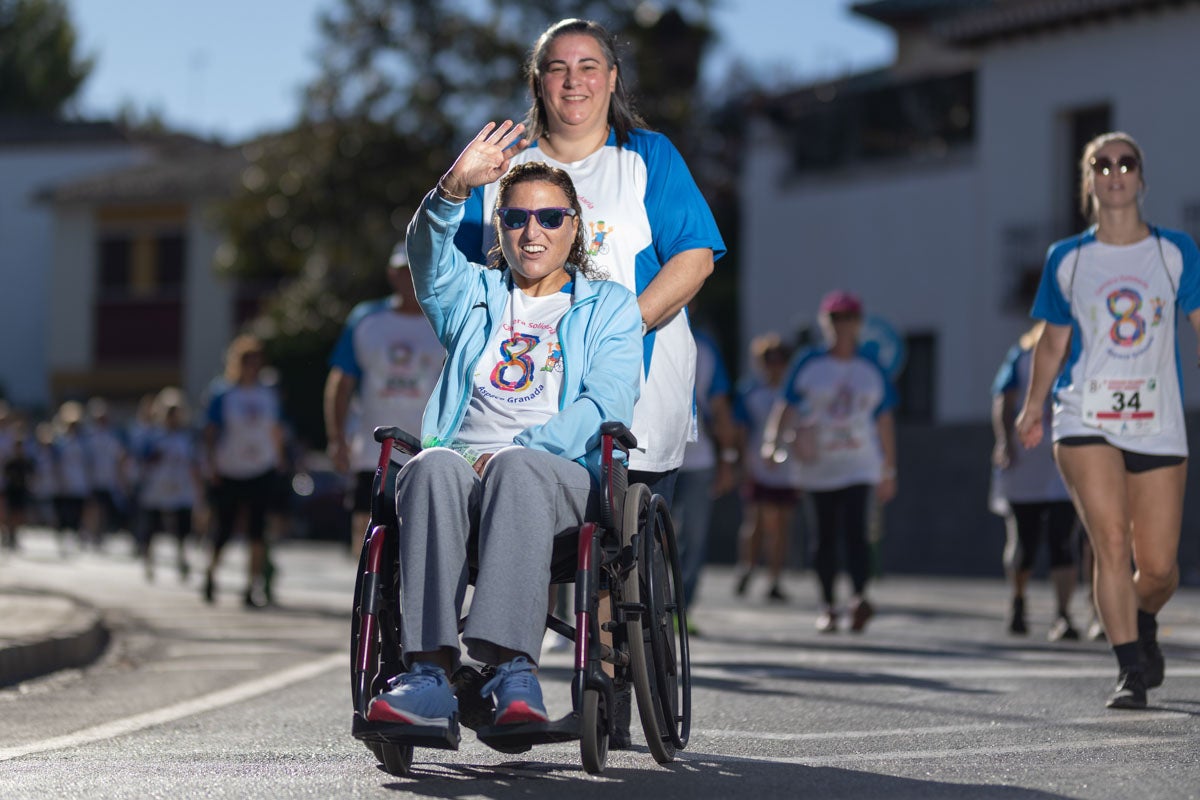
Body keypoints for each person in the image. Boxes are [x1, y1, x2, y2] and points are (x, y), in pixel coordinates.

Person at [363, 121, 642, 734]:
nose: (532, 232)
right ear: (499, 228)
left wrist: (521, 448)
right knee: (430, 465)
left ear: (575, 226)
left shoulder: (611, 306)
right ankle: (429, 676)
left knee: (517, 468)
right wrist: (452, 189)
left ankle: (513, 669)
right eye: (516, 218)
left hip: (559, 475)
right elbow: (425, 256)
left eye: (549, 217)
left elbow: (606, 403)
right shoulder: (472, 293)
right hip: (462, 466)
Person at [453, 17, 725, 505]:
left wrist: (615, 336)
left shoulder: (647, 155)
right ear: (538, 82)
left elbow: (695, 257)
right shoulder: (500, 168)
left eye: (589, 66)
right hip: (518, 400)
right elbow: (457, 285)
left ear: (613, 77)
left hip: (636, 396)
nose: (573, 80)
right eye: (558, 68)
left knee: (615, 546)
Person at [1015, 132, 1200, 710]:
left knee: (1160, 568)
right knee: (1111, 542)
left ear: (1142, 178)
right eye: (1102, 164)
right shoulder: (1067, 258)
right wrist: (1033, 405)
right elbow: (1053, 342)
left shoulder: (1174, 251)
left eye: (1126, 163)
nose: (1115, 172)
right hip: (1084, 416)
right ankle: (1128, 670)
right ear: (1088, 181)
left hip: (1157, 420)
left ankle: (1142, 619)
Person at [764, 291, 898, 633]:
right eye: (835, 318)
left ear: (859, 323)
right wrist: (771, 443)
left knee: (856, 532)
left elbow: (884, 420)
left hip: (860, 464)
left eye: (848, 317)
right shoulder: (809, 363)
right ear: (825, 322)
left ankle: (859, 597)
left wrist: (889, 468)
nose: (842, 325)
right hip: (818, 466)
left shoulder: (871, 366)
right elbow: (786, 405)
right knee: (823, 536)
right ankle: (827, 605)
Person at [325, 241, 444, 557]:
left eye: (416, 270)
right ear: (392, 273)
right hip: (373, 450)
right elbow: (340, 383)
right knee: (366, 532)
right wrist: (337, 439)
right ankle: (366, 588)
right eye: (403, 270)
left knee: (418, 537)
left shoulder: (445, 320)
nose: (409, 278)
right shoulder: (367, 319)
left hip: (428, 447)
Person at [991, 322, 1081, 641]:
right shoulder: (1023, 357)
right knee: (1024, 541)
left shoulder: (1081, 357)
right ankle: (1018, 601)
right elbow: (1003, 399)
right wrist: (1005, 442)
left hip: (1064, 465)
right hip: (1026, 465)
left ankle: (1062, 614)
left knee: (1062, 539)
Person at [202, 334, 286, 608]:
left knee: (257, 531)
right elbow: (210, 431)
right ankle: (210, 575)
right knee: (224, 529)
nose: (252, 367)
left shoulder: (268, 394)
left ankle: (252, 586)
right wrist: (211, 464)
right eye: (246, 361)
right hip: (230, 468)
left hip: (261, 468)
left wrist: (280, 459)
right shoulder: (223, 393)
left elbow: (275, 429)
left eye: (255, 361)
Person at [671, 325, 738, 617]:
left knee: (693, 537)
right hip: (650, 456)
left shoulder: (705, 347)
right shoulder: (640, 330)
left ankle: (681, 611)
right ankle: (652, 608)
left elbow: (720, 407)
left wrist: (727, 460)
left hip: (698, 461)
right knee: (650, 538)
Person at [731, 334, 800, 603]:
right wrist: (741, 462)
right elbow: (741, 430)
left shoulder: (795, 393)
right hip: (757, 464)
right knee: (756, 521)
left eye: (780, 360)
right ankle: (747, 567)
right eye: (769, 360)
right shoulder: (751, 392)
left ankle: (775, 578)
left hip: (789, 467)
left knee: (782, 524)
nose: (775, 366)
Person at [139, 388, 202, 583]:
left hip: (180, 487)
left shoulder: (187, 437)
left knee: (182, 526)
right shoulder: (153, 436)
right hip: (157, 487)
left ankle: (182, 559)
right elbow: (142, 460)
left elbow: (194, 464)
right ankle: (149, 560)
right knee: (153, 525)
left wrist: (198, 489)